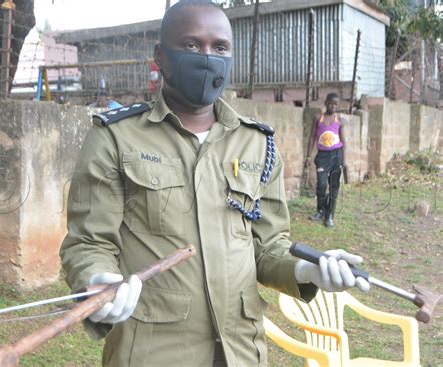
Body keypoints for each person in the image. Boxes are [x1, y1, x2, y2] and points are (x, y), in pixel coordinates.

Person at [60, 2, 368, 366]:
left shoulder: (257, 142)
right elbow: (89, 242)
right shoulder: (116, 139)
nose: (207, 57)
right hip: (152, 352)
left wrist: (307, 269)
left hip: (240, 349)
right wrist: (98, 280)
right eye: (192, 45)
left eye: (220, 47)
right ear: (161, 56)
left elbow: (268, 247)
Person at [305, 93, 346, 228]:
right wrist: (308, 156)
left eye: (336, 105)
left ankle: (330, 216)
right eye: (330, 104)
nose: (333, 107)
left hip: (336, 155)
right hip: (322, 156)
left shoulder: (338, 119)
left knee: (334, 186)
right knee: (322, 185)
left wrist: (343, 161)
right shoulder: (318, 118)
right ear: (325, 103)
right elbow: (312, 137)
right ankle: (321, 211)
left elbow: (343, 141)